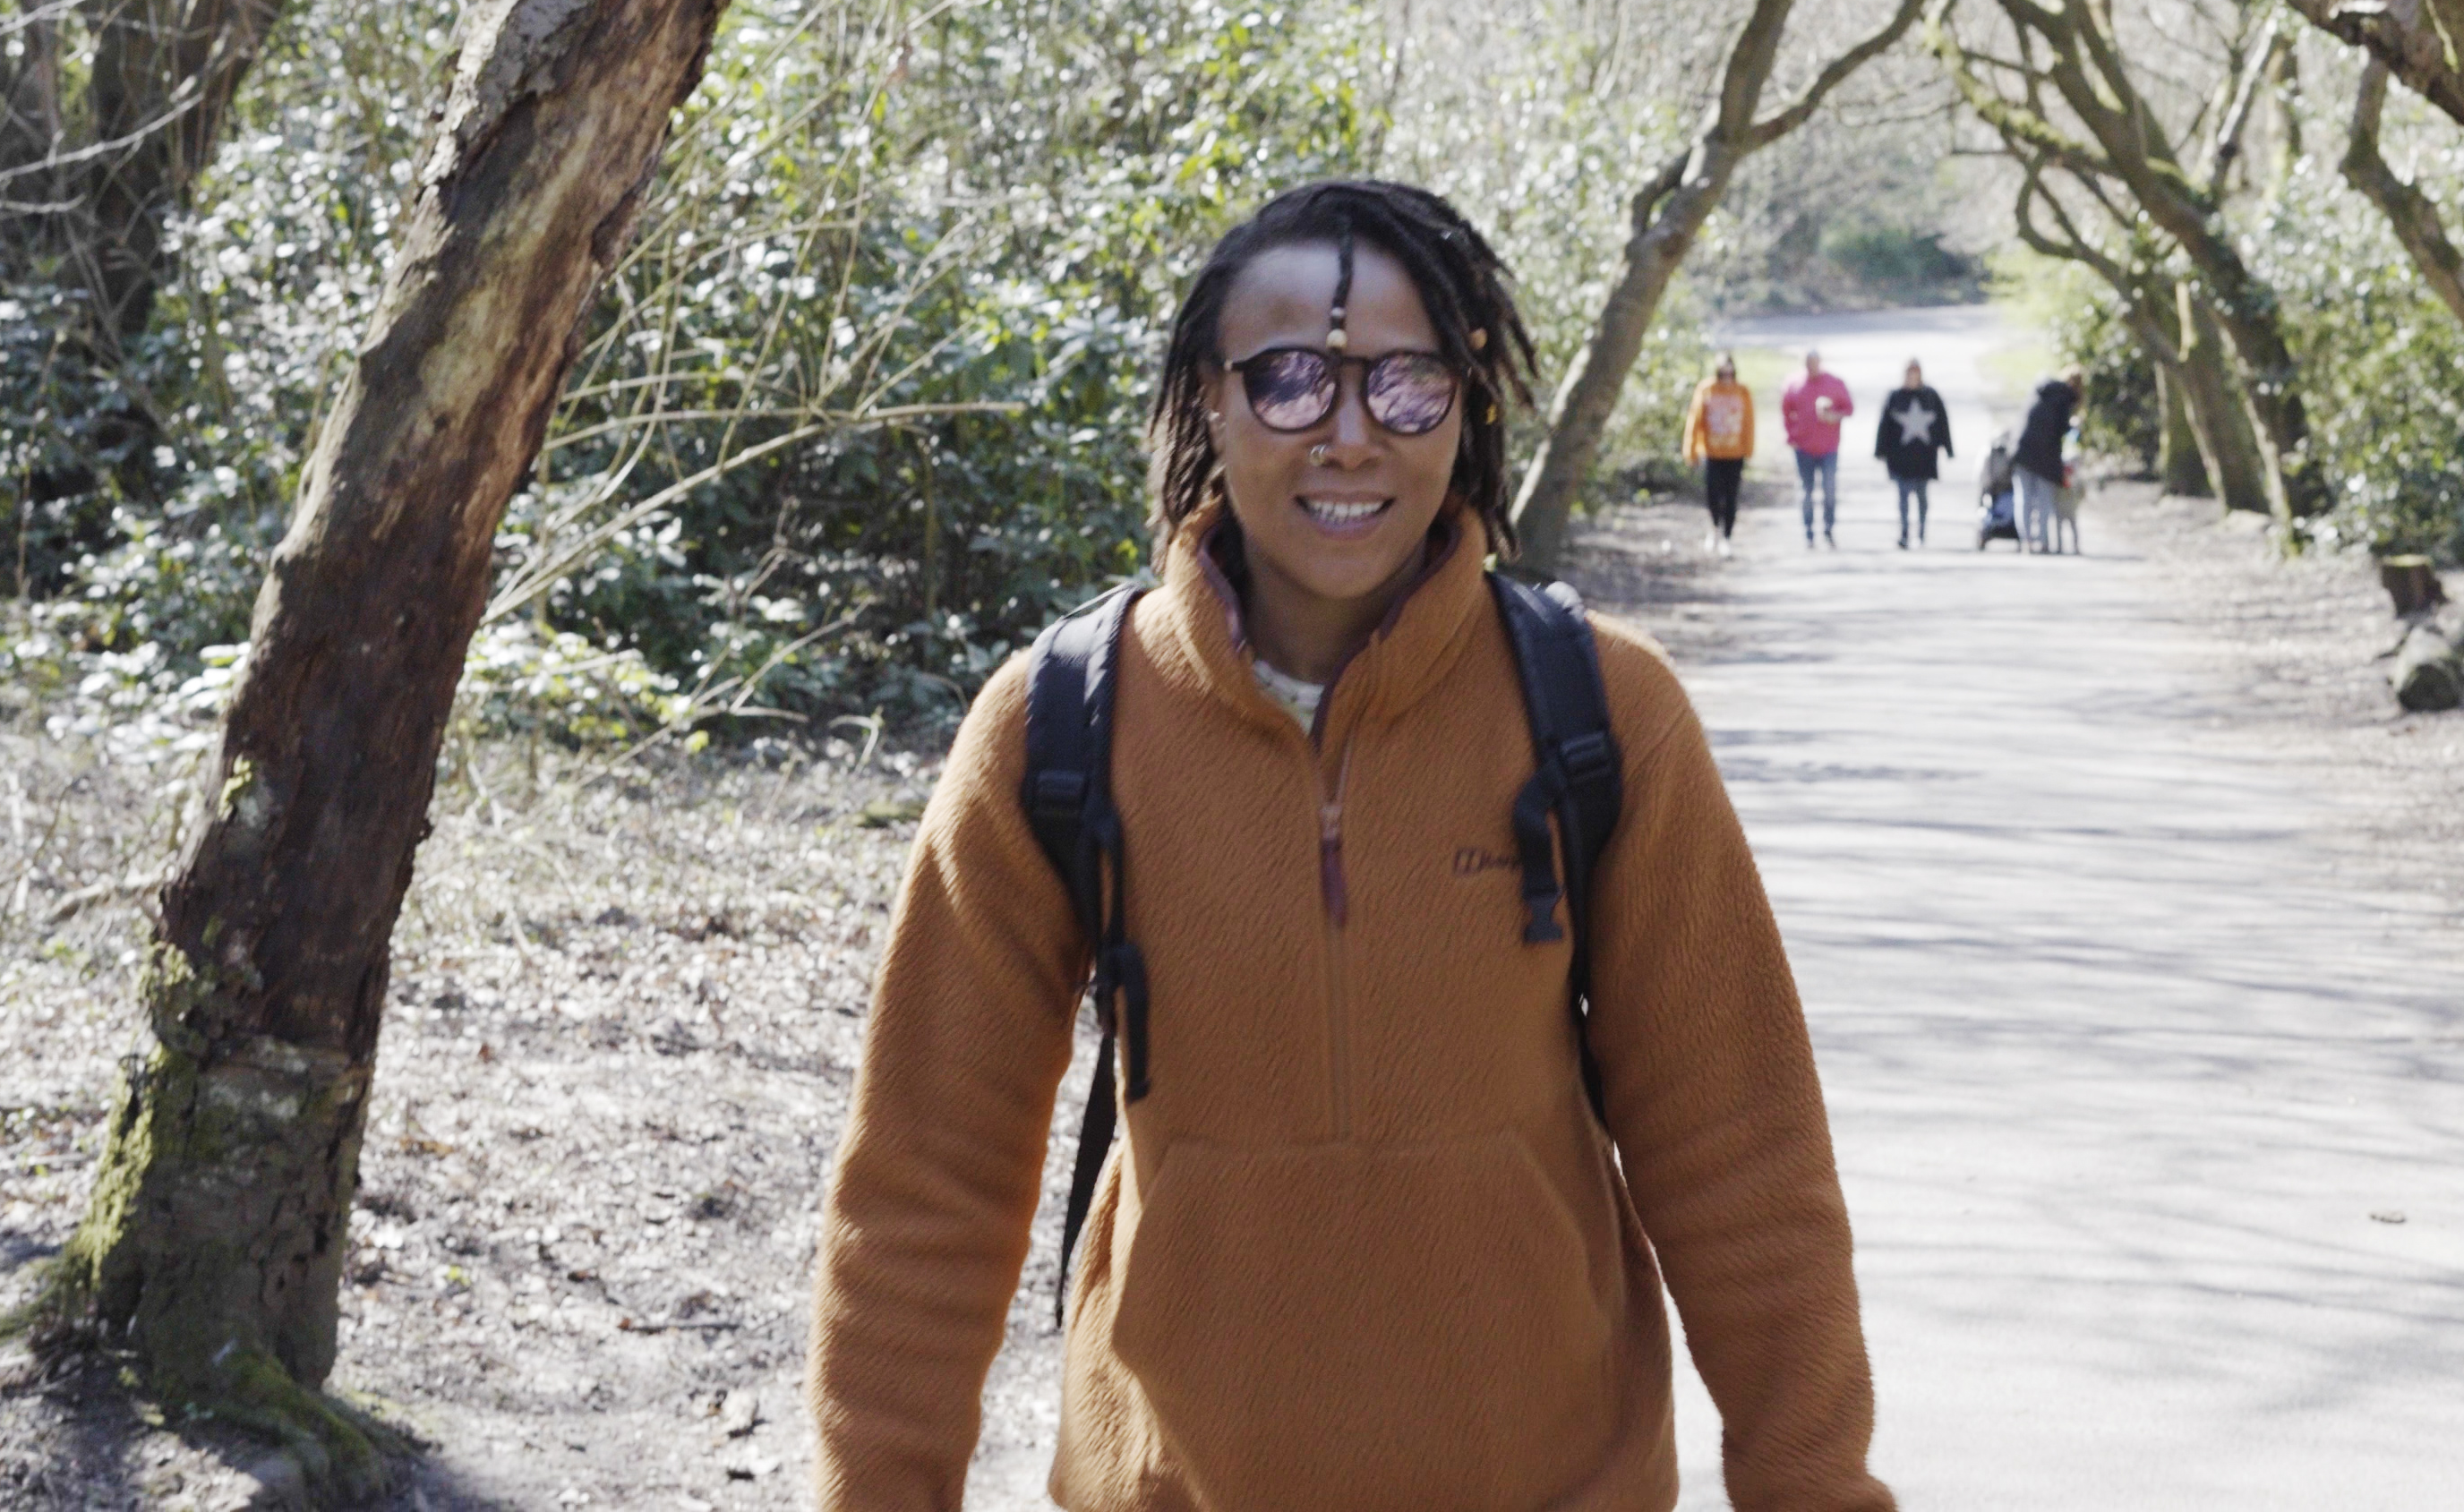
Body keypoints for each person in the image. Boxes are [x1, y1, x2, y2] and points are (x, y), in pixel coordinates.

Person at [809, 180, 1893, 1512]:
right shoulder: (1058, 730)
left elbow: (1743, 1158)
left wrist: (1818, 1487)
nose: (1348, 436)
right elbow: (927, 1181)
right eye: (1288, 382)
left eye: (1406, 385)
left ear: (1470, 403)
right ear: (1208, 399)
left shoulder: (1605, 718)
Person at [1869, 358, 1955, 549]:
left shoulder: (1931, 396)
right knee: (1903, 498)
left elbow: (1942, 423)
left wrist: (1948, 448)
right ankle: (1905, 532)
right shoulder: (1895, 397)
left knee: (1922, 497)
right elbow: (1884, 425)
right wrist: (1880, 450)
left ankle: (1922, 532)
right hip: (1900, 459)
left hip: (1924, 458)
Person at [1681, 351, 1758, 556]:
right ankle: (1714, 527)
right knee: (1713, 494)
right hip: (1712, 452)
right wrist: (1690, 450)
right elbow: (1694, 420)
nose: (1726, 377)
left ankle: (1727, 537)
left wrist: (1749, 448)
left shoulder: (1742, 391)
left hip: (1735, 454)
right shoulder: (1707, 389)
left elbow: (1749, 422)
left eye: (1729, 373)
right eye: (1722, 373)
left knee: (1732, 496)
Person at [1781, 346, 1854, 548]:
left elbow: (1849, 408)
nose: (1811, 367)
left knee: (1829, 489)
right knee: (1806, 491)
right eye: (1807, 363)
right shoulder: (1793, 384)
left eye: (1814, 363)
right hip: (1803, 448)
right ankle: (1808, 531)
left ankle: (1829, 529)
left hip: (1829, 447)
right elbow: (1785, 412)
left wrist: (1834, 416)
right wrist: (1790, 436)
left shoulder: (1835, 383)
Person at [2009, 368, 2083, 555]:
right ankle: (2041, 542)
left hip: (2021, 449)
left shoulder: (2039, 389)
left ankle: (2026, 541)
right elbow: (2063, 429)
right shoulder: (2064, 399)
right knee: (2044, 499)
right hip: (2045, 455)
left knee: (2024, 498)